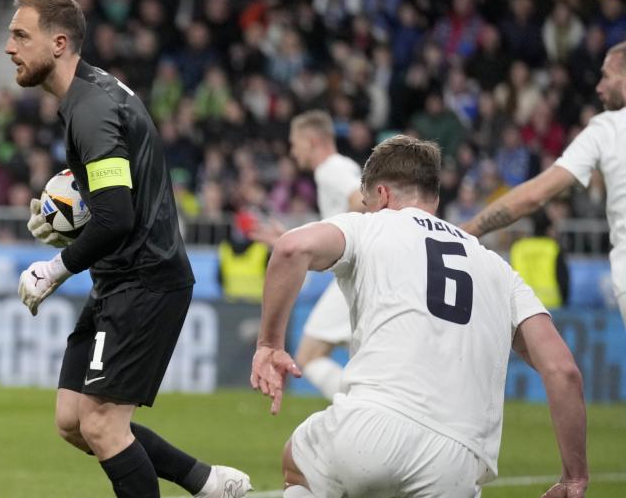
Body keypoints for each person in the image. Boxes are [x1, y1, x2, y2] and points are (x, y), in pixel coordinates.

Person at [9, 0, 250, 498]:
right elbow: (117, 198)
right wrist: (70, 214)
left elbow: (117, 217)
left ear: (58, 43)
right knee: (74, 421)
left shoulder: (91, 107)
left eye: (20, 35)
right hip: (119, 276)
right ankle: (205, 482)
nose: (9, 47)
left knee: (102, 427)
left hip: (145, 279)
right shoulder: (90, 94)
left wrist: (55, 266)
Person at [251, 135, 587, 498]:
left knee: (296, 463)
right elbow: (562, 371)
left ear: (380, 195)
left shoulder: (370, 225)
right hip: (456, 459)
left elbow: (291, 247)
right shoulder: (498, 269)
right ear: (435, 199)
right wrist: (574, 477)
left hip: (370, 429)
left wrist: (269, 343)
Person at [460, 41, 626, 324]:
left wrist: (467, 230)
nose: (599, 87)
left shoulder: (607, 128)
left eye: (607, 76)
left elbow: (534, 195)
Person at [251, 110, 364, 400]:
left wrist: (349, 241)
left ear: (312, 140)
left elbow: (361, 202)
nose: (292, 150)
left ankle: (358, 408)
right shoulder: (345, 165)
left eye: (294, 142)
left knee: (309, 355)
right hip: (361, 274)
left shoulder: (329, 169)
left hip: (355, 275)